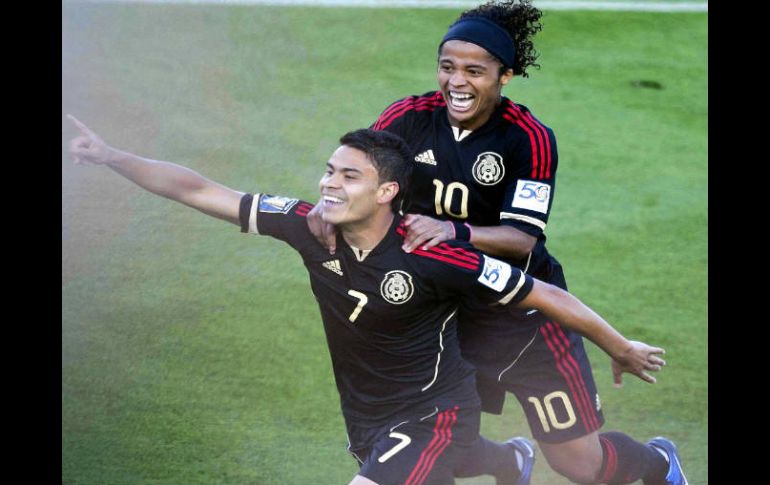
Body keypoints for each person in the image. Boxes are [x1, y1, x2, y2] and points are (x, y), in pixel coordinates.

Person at [69, 115, 668, 485]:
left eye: (348, 176)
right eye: (329, 170)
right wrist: (110, 156)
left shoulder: (431, 254)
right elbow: (200, 189)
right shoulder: (306, 225)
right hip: (367, 414)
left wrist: (620, 346)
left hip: (435, 413)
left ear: (387, 192)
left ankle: (644, 465)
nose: (329, 182)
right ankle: (510, 463)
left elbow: (538, 291)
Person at [306, 1, 689, 485]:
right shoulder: (407, 117)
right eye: (448, 68)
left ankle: (658, 462)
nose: (457, 82)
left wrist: (455, 231)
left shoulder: (528, 137)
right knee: (428, 435)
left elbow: (522, 238)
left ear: (504, 76)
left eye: (474, 70)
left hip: (522, 323)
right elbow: (359, 173)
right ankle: (507, 460)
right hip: (444, 315)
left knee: (579, 465)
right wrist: (330, 204)